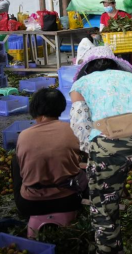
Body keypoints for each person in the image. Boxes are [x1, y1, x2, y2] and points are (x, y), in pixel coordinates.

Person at [69, 46, 132, 254]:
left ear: (87, 67)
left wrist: (92, 152)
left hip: (108, 144)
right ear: (114, 64)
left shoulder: (81, 84)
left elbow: (80, 125)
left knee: (104, 209)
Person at [13, 88, 85, 218]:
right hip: (69, 201)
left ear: (34, 109)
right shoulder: (72, 130)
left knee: (16, 160)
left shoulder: (24, 135)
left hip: (30, 205)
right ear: (62, 107)